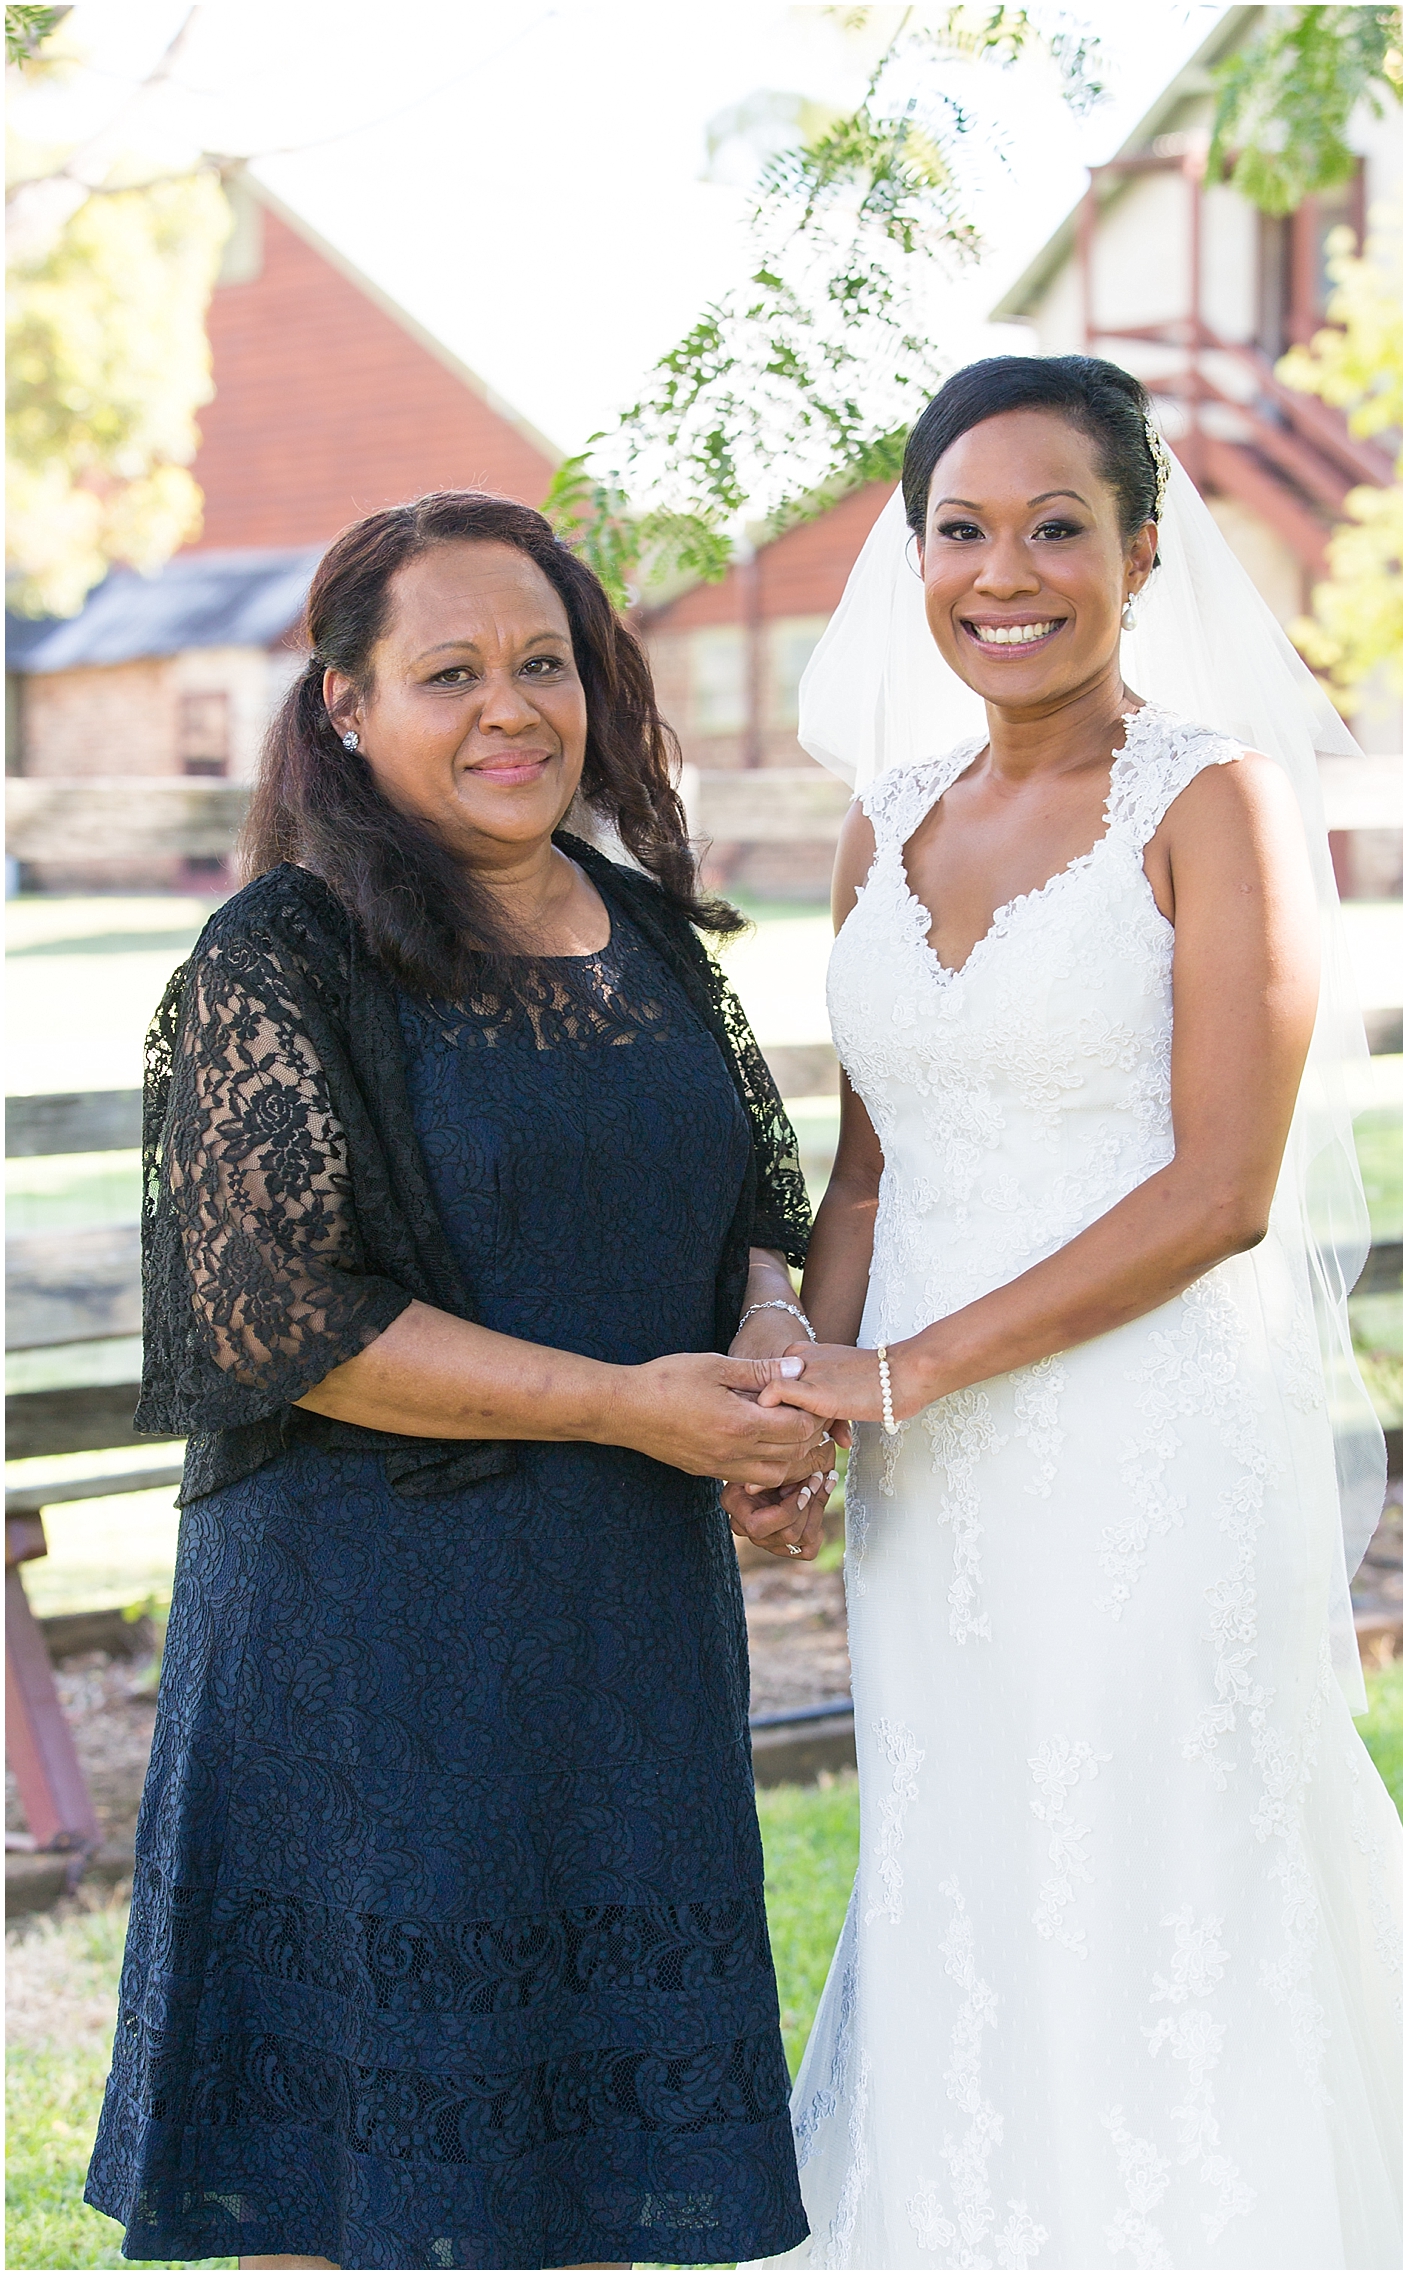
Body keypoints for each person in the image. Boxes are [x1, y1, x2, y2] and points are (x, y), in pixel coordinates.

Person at [726, 358, 1403, 2269]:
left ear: (1143, 552)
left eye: (1058, 526)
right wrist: (803, 1417)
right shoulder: (885, 821)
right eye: (963, 531)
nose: (1009, 572)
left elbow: (1220, 1193)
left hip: (1146, 1442)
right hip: (933, 1481)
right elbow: (870, 1170)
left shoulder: (1214, 800)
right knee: (970, 1868)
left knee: (1163, 1863)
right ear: (912, 560)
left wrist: (898, 1370)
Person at [84, 490, 838, 2272]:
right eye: (449, 673)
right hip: (364, 1656)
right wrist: (625, 1406)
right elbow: (285, 1321)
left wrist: (770, 1370)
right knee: (346, 2170)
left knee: (591, 2169)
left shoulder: (649, 935)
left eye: (542, 664)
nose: (511, 708)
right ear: (345, 705)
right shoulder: (278, 959)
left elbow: (748, 1211)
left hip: (620, 1639)